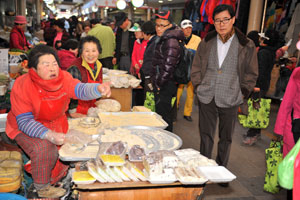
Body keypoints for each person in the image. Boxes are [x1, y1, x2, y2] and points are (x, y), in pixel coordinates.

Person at [5, 44, 111, 198]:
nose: (52, 68)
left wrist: (97, 89)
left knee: (66, 149)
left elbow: (79, 89)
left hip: (56, 122)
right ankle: (41, 188)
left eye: (54, 63)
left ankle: (58, 178)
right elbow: (25, 121)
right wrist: (49, 134)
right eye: (46, 65)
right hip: (24, 127)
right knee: (45, 148)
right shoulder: (23, 84)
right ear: (33, 68)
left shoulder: (63, 77)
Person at [191, 4, 258, 179]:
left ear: (233, 20)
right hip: (207, 95)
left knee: (226, 138)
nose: (221, 24)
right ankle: (204, 170)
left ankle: (221, 171)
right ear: (213, 22)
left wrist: (243, 92)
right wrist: (198, 86)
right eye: (218, 20)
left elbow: (252, 73)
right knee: (205, 136)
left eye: (225, 20)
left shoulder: (246, 44)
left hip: (231, 97)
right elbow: (196, 66)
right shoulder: (206, 41)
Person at [243, 30, 280, 145]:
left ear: (266, 41)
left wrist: (257, 86)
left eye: (262, 38)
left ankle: (252, 135)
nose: (260, 39)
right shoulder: (270, 52)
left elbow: (261, 71)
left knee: (255, 109)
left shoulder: (263, 53)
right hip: (264, 84)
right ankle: (255, 133)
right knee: (258, 108)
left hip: (259, 85)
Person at [150, 10, 184, 132]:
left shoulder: (171, 41)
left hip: (166, 84)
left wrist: (159, 84)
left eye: (162, 25)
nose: (158, 28)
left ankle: (167, 146)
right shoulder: (164, 38)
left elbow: (168, 66)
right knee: (161, 116)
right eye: (157, 25)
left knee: (164, 118)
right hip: (163, 82)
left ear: (170, 25)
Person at [67, 36, 103, 117]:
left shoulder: (99, 66)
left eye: (94, 51)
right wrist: (72, 112)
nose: (90, 54)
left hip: (92, 110)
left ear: (99, 51)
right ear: (81, 52)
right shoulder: (75, 67)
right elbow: (69, 93)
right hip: (78, 112)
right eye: (87, 51)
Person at [176, 19, 201, 122]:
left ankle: (187, 113)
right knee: (178, 90)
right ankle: (174, 109)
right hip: (181, 69)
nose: (188, 30)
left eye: (190, 28)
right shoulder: (178, 39)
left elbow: (201, 55)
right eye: (186, 28)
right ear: (181, 29)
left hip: (192, 69)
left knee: (190, 93)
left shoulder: (198, 39)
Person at [139, 21, 157, 100]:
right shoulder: (153, 41)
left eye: (143, 32)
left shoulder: (154, 42)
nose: (142, 35)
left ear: (147, 33)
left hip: (150, 77)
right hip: (149, 75)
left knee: (149, 99)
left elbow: (152, 60)